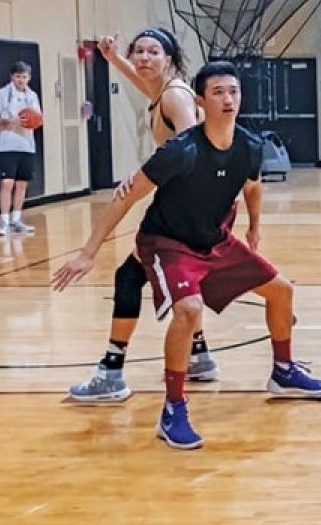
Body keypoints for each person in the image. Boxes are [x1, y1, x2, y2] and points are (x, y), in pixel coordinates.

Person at [50, 61, 321, 449]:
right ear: (200, 102)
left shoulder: (250, 146)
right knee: (189, 309)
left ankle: (283, 371)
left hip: (214, 240)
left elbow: (253, 184)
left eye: (233, 91)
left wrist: (254, 225)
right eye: (218, 92)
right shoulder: (180, 151)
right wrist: (88, 252)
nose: (228, 99)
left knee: (281, 290)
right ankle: (172, 410)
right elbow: (125, 198)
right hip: (168, 241)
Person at [68, 29, 220, 402]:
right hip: (199, 201)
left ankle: (112, 372)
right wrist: (113, 59)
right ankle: (198, 356)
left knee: (129, 277)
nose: (144, 58)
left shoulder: (175, 97)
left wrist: (146, 173)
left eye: (153, 52)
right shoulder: (165, 92)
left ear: (169, 58)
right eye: (139, 51)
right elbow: (147, 88)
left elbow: (191, 148)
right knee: (181, 284)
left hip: (187, 204)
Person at [0, 62, 40, 237]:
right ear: (12, 77)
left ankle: (16, 219)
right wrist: (8, 121)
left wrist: (34, 121)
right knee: (7, 183)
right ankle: (4, 220)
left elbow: (38, 119)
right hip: (8, 145)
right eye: (18, 76)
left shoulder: (32, 96)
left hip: (27, 145)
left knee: (22, 184)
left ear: (29, 78)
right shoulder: (2, 94)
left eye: (24, 76)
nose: (21, 80)